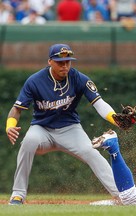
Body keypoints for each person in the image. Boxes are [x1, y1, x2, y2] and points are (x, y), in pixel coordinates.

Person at [6, 44, 120, 205]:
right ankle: (18, 194)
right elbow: (16, 109)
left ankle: (121, 194)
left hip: (70, 129)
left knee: (91, 152)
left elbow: (99, 103)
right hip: (42, 129)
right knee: (28, 142)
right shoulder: (35, 81)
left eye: (68, 61)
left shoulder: (79, 78)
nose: (65, 65)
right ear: (50, 61)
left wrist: (114, 118)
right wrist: (9, 125)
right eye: (60, 62)